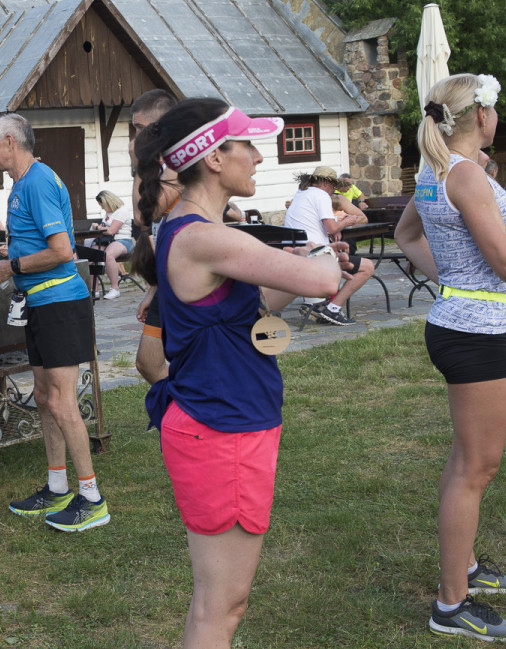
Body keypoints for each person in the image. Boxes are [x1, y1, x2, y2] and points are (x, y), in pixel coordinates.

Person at [132, 99, 345, 648]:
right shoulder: (205, 237)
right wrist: (322, 255)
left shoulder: (201, 230)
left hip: (226, 422)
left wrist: (308, 269)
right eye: (246, 145)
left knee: (218, 603)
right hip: (220, 429)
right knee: (220, 607)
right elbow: (322, 282)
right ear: (213, 157)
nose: (256, 157)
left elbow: (247, 312)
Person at [395, 72, 506, 642]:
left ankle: (464, 566)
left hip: (461, 323)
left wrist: (468, 278)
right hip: (473, 335)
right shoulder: (467, 175)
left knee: (465, 461)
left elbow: (407, 235)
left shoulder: (438, 170)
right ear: (485, 115)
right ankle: (451, 605)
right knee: (477, 468)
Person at [0, 112, 108, 532]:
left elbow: (61, 250)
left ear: (10, 142)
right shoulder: (21, 185)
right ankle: (58, 487)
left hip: (60, 302)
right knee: (42, 396)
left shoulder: (37, 181)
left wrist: (10, 266)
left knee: (60, 401)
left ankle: (92, 498)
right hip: (38, 302)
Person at [128, 89, 179, 386]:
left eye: (141, 129)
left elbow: (142, 214)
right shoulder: (156, 163)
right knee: (148, 363)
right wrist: (153, 289)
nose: (136, 137)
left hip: (186, 273)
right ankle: (184, 407)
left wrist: (140, 163)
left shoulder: (178, 163)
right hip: (166, 276)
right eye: (134, 129)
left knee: (161, 359)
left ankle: (192, 410)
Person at [283, 166, 375, 326]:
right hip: (316, 257)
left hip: (296, 254)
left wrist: (333, 231)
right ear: (325, 182)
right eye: (333, 186)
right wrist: (346, 222)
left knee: (341, 256)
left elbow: (320, 226)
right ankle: (332, 308)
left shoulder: (301, 194)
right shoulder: (321, 195)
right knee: (367, 267)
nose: (333, 190)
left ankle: (317, 303)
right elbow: (332, 227)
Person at [89, 190, 134, 300]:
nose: (102, 208)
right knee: (90, 255)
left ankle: (115, 289)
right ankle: (93, 290)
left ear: (108, 202)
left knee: (108, 254)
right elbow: (108, 230)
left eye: (102, 205)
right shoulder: (108, 213)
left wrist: (97, 227)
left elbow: (111, 231)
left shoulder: (122, 211)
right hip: (109, 241)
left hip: (123, 241)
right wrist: (104, 228)